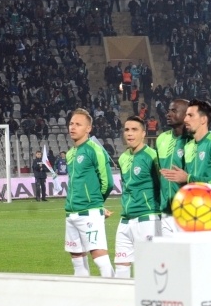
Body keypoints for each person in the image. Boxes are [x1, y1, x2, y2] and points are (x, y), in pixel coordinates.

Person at [64, 108, 115, 277]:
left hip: (89, 212)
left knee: (99, 257)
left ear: (88, 128)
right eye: (71, 123)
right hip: (71, 213)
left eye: (78, 124)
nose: (73, 127)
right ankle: (83, 291)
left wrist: (96, 203)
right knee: (77, 260)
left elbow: (107, 182)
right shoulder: (70, 153)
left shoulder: (94, 149)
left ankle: (116, 290)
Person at [114, 117, 163, 278]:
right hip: (125, 220)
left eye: (134, 130)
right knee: (121, 267)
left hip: (147, 219)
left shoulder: (152, 156)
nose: (129, 133)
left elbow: (162, 186)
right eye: (127, 130)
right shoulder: (123, 158)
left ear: (143, 133)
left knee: (148, 270)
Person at [160, 99, 211, 194]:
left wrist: (188, 178)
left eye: (190, 115)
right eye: (186, 115)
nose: (185, 119)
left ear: (203, 119)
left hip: (210, 201)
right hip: (191, 201)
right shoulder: (188, 146)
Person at [156, 98, 190, 233]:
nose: (168, 114)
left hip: (188, 211)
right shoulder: (161, 139)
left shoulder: (193, 140)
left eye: (174, 111)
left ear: (186, 114)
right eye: (168, 111)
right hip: (166, 213)